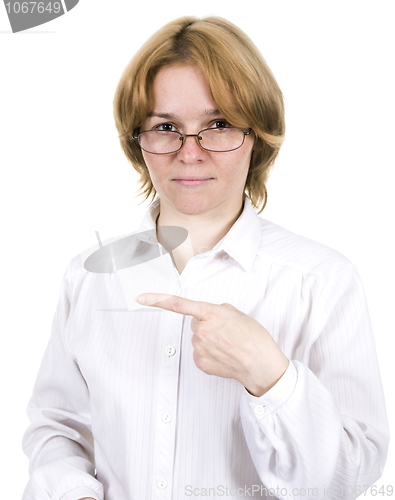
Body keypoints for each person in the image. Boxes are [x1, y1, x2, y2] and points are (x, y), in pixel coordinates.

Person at [22, 15, 389, 500]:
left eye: (218, 125)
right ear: (139, 141)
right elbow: (58, 426)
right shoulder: (88, 277)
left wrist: (270, 376)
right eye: (166, 126)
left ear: (256, 135)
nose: (189, 152)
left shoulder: (322, 282)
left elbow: (347, 481)